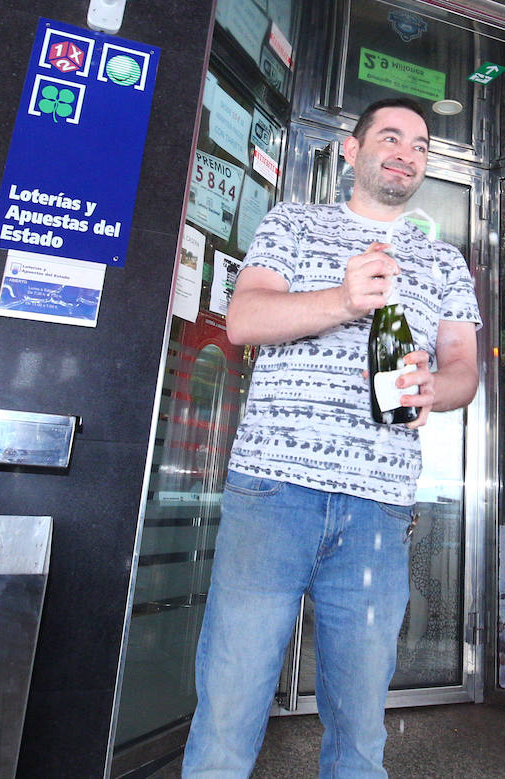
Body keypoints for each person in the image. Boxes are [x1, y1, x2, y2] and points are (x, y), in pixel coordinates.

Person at [182, 98, 481, 777]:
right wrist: (342, 301)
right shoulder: (293, 222)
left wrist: (436, 386)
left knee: (358, 729)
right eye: (391, 136)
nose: (408, 151)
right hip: (273, 489)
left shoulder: (443, 262)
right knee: (229, 712)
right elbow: (245, 318)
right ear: (351, 151)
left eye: (421, 144)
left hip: (378, 506)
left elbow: (463, 368)